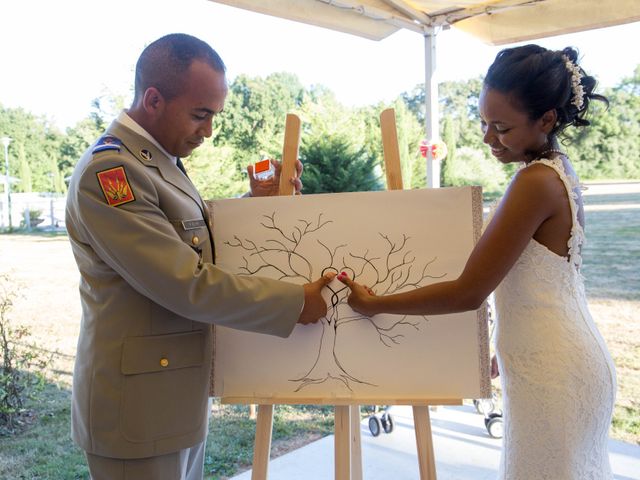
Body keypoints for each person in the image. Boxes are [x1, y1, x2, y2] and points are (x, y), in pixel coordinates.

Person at [339, 44, 616, 479]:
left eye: (501, 127)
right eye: (484, 122)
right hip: (556, 356)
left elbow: (469, 292)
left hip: (554, 370)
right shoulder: (558, 169)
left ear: (546, 119)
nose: (488, 138)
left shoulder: (535, 182)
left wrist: (375, 304)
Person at [65, 33, 334, 480]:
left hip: (168, 397)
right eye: (200, 114)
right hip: (137, 410)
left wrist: (253, 202)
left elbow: (190, 237)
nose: (208, 131)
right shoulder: (110, 172)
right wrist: (293, 303)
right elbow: (183, 280)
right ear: (153, 99)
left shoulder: (154, 161)